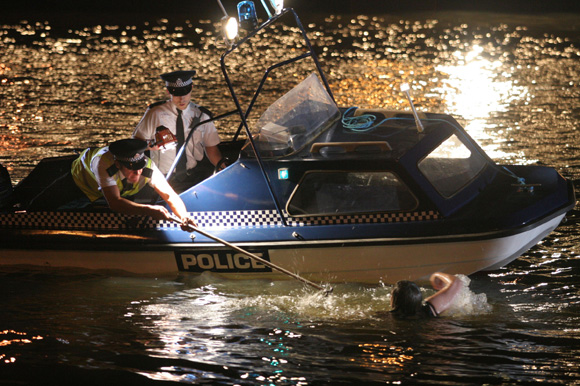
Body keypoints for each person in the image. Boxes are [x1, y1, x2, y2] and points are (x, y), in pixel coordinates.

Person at [27, 138, 195, 228]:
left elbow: (170, 195)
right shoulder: (104, 163)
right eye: (131, 169)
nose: (137, 173)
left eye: (139, 168)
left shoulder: (147, 167)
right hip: (80, 182)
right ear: (117, 164)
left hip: (116, 190)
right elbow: (114, 203)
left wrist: (184, 216)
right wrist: (149, 210)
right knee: (36, 209)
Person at [132, 70, 225, 191]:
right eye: (177, 94)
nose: (182, 99)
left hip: (192, 177)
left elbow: (211, 148)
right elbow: (136, 145)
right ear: (168, 91)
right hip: (163, 178)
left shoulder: (202, 115)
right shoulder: (155, 113)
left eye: (185, 93)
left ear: (191, 88)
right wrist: (151, 145)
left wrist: (223, 168)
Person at [390, 272, 463, 318]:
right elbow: (457, 283)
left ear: (393, 300)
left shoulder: (387, 317)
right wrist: (436, 274)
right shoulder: (428, 310)